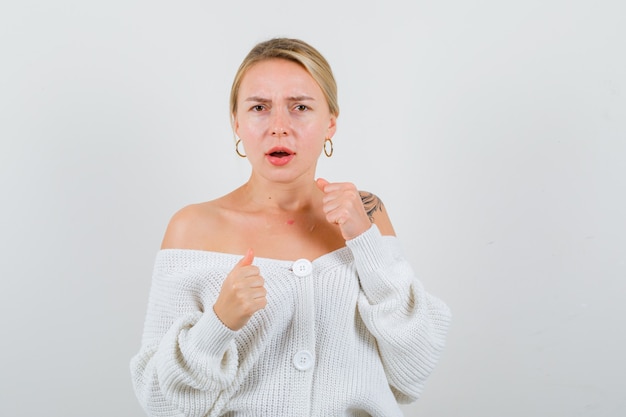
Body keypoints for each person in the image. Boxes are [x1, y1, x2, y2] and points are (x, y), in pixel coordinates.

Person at [130, 37, 451, 417]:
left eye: (300, 107)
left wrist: (365, 242)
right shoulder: (192, 229)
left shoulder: (367, 214)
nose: (279, 127)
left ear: (330, 122)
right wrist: (218, 324)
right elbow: (159, 402)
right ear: (237, 122)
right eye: (259, 108)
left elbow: (412, 371)